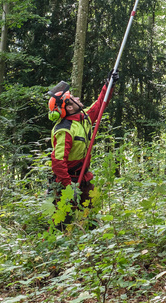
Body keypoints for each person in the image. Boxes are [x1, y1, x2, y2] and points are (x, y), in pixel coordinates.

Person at [46, 73, 116, 227]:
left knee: (92, 216)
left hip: (84, 178)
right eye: (74, 99)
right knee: (62, 222)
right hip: (67, 181)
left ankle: (93, 244)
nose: (78, 99)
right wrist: (68, 186)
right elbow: (58, 162)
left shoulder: (84, 117)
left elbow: (100, 104)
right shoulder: (65, 130)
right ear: (69, 107)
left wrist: (109, 84)